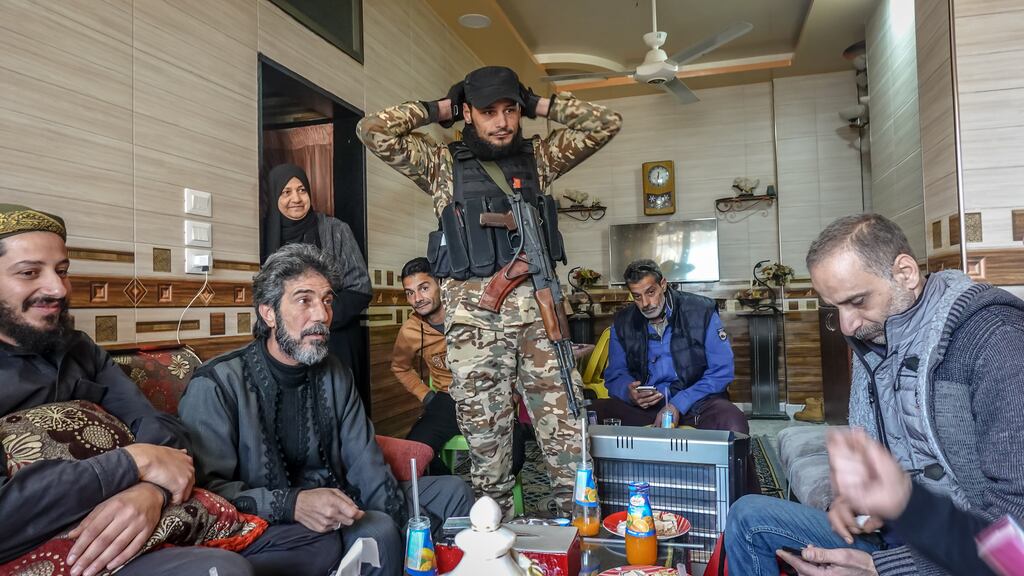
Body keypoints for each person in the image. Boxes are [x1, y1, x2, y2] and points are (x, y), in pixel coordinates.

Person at [357, 65, 622, 515]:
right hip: (474, 333)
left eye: (510, 110)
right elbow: (372, 130)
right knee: (488, 458)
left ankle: (580, 540)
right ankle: (493, 548)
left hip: (542, 325)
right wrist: (437, 109)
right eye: (487, 111)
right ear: (468, 113)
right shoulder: (441, 164)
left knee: (569, 448)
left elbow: (606, 123)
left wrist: (538, 102)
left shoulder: (540, 157)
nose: (501, 121)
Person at [726, 213, 1024, 576]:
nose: (847, 325)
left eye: (857, 301)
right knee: (747, 518)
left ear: (905, 273)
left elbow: (1016, 548)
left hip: (967, 556)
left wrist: (882, 567)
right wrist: (858, 506)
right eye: (836, 308)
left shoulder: (996, 342)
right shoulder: (878, 341)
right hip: (897, 538)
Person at [179, 243, 474, 576]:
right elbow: (207, 493)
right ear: (269, 312)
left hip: (343, 497)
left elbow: (366, 462)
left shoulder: (335, 373)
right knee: (376, 530)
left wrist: (404, 524)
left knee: (453, 493)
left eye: (327, 300)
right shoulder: (217, 384)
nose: (321, 315)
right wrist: (292, 504)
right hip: (268, 523)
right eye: (304, 300)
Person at [0, 204, 253, 576]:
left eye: (62, 271)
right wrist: (133, 463)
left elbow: (160, 429)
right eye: (29, 273)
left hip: (135, 518)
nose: (57, 288)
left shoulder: (79, 349)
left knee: (315, 540)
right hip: (55, 547)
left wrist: (151, 492)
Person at [777, 427, 1006, 575]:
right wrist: (862, 504)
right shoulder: (871, 362)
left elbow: (1011, 557)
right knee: (749, 514)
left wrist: (877, 566)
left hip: (920, 557)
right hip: (889, 540)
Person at [392, 257, 526, 477]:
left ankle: (491, 493)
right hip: (447, 400)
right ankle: (455, 491)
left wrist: (515, 391)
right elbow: (400, 367)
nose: (417, 298)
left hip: (489, 395)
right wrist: (426, 396)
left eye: (424, 288)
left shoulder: (472, 313)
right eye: (409, 292)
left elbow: (516, 350)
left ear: (440, 283)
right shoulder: (410, 331)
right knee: (412, 456)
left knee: (511, 458)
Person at [262, 163, 373, 407]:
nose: (296, 199)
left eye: (302, 190)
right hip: (287, 342)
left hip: (337, 339)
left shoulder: (336, 230)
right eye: (286, 192)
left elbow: (361, 287)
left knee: (339, 407)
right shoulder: (263, 236)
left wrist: (319, 318)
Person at [594, 259, 747, 433]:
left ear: (663, 285)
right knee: (590, 414)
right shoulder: (622, 323)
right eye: (637, 296)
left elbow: (722, 371)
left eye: (650, 292)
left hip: (696, 403)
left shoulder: (701, 311)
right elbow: (615, 374)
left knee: (734, 422)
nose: (646, 303)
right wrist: (629, 393)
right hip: (645, 408)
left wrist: (678, 404)